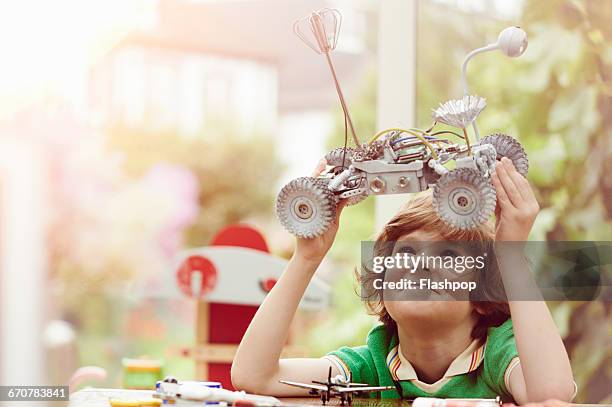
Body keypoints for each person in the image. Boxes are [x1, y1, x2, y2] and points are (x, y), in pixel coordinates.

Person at [231, 157, 575, 404]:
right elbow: (255, 377)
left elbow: (551, 395)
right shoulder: (371, 366)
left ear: (483, 294)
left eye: (449, 257)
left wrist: (511, 255)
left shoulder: (496, 356)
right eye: (406, 253)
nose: (420, 267)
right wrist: (306, 258)